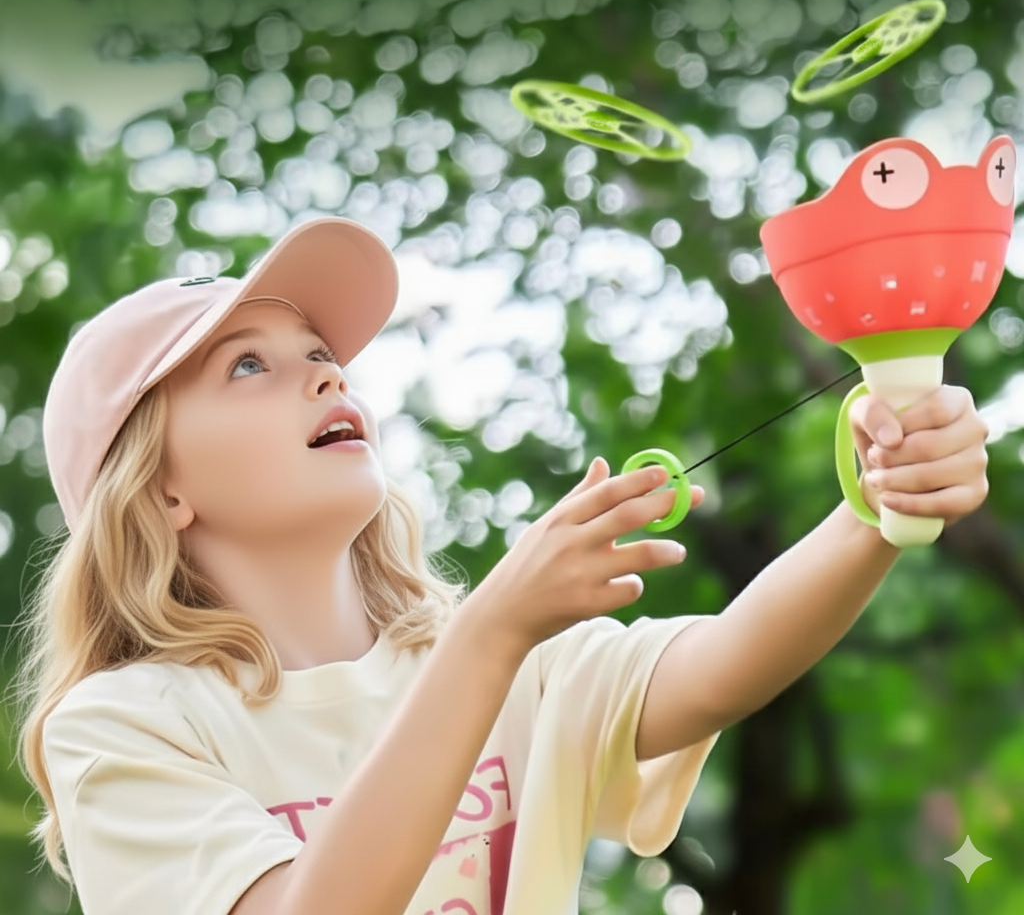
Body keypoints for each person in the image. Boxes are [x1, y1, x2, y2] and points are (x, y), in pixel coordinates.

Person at [11, 215, 988, 915]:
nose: (325, 371)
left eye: (319, 350)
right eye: (247, 366)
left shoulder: (510, 660)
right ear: (160, 492)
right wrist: (487, 635)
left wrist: (879, 505)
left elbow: (727, 660)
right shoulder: (123, 727)